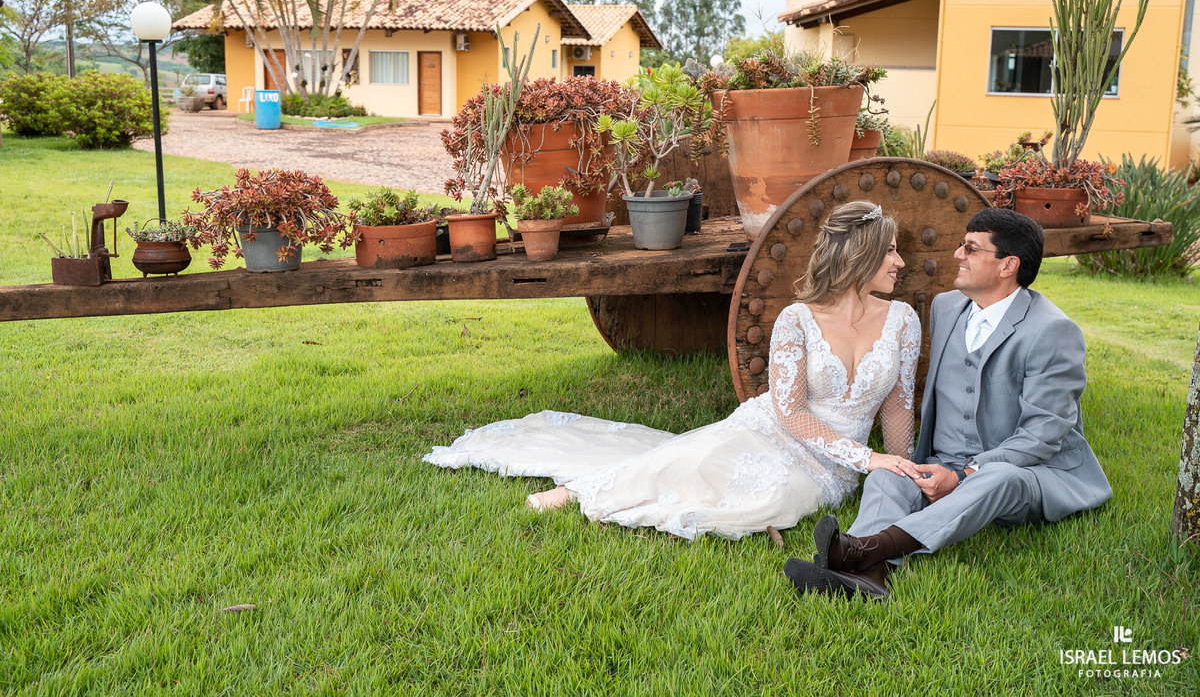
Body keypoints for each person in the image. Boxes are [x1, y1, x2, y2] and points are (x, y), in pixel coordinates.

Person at [424, 201, 921, 540]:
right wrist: (869, 458)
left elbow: (898, 408)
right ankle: (579, 490)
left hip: (831, 467)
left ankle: (616, 480)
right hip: (773, 431)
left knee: (774, 498)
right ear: (860, 255)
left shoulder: (902, 321)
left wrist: (901, 469)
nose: (900, 261)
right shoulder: (798, 319)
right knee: (702, 460)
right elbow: (789, 412)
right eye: (891, 250)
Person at [785, 208, 1111, 599]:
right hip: (944, 459)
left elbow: (1042, 436)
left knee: (999, 476)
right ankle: (870, 577)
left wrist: (963, 475)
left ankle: (866, 549)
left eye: (971, 249)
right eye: (961, 245)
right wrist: (925, 466)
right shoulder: (945, 307)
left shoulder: (1053, 330)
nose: (958, 254)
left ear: (1008, 265)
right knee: (889, 475)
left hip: (1024, 472)